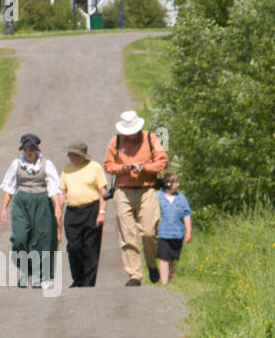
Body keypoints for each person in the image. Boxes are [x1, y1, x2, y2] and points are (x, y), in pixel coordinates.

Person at [103, 110, 169, 286]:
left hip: (147, 189)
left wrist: (145, 168)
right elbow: (108, 165)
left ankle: (152, 265)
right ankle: (134, 274)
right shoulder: (116, 141)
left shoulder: (150, 138)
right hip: (123, 191)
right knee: (127, 234)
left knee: (149, 232)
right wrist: (123, 168)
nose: (130, 135)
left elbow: (163, 161)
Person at [0, 133, 63, 288]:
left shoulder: (47, 164)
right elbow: (9, 187)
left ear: (36, 150)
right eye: (25, 149)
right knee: (20, 238)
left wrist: (57, 208)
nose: (28, 152)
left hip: (42, 201)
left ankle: (44, 277)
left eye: (31, 149)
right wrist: (3, 208)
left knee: (43, 239)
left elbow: (54, 188)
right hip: (22, 202)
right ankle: (27, 271)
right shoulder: (17, 164)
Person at [60, 141, 108, 286]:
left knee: (90, 247)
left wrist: (102, 212)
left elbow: (103, 192)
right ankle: (78, 278)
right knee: (73, 247)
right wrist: (58, 210)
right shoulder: (66, 169)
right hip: (72, 212)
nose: (70, 157)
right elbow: (63, 192)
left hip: (91, 210)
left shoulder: (94, 167)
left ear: (81, 155)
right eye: (70, 154)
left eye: (73, 154)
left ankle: (88, 282)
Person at [155, 173, 192, 284]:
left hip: (177, 233)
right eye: (176, 182)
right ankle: (164, 282)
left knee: (172, 259)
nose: (178, 184)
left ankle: (170, 278)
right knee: (163, 258)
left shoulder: (181, 198)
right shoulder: (157, 197)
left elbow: (186, 215)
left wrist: (188, 232)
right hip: (162, 233)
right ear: (169, 184)